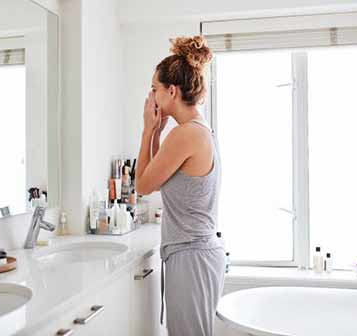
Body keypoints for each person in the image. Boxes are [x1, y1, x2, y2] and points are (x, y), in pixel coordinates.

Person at [135, 36, 225, 336]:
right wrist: (157, 132)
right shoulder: (196, 130)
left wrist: (148, 129)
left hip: (191, 255)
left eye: (154, 89)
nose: (151, 96)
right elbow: (158, 179)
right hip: (195, 253)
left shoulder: (186, 134)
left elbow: (143, 185)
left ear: (171, 91)